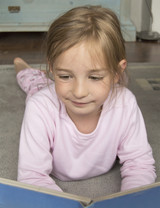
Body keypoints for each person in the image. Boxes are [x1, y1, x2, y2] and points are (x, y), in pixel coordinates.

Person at [15, 5, 156, 193]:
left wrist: (131, 204)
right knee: (33, 82)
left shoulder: (125, 103)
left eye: (95, 77)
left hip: (88, 89)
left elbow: (140, 164)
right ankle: (23, 67)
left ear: (116, 72)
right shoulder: (39, 107)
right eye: (65, 75)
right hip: (43, 93)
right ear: (53, 69)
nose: (79, 92)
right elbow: (32, 175)